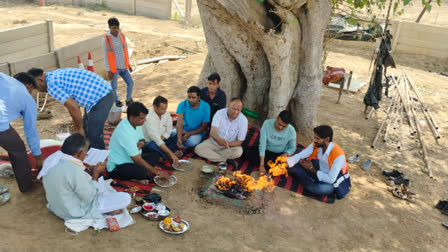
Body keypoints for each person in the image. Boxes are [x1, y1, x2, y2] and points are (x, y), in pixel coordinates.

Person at [38, 133, 131, 220]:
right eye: (86, 152)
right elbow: (89, 197)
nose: (86, 155)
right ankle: (105, 211)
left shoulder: (51, 159)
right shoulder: (74, 169)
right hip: (73, 212)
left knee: (99, 184)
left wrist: (88, 171)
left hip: (56, 207)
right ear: (79, 153)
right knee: (125, 198)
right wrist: (96, 173)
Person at [28, 68, 114, 150]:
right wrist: (79, 126)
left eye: (36, 87)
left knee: (93, 134)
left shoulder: (52, 86)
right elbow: (74, 100)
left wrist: (79, 129)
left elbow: (73, 107)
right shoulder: (54, 74)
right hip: (99, 93)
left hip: (101, 97)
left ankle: (100, 161)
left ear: (40, 80)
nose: (38, 91)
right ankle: (88, 153)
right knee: (85, 127)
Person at [107, 102, 170, 184]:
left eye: (144, 118)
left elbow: (142, 139)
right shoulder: (124, 132)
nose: (145, 120)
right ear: (132, 117)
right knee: (142, 172)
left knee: (155, 155)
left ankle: (145, 172)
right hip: (118, 166)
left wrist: (141, 142)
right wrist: (157, 172)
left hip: (133, 158)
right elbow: (137, 159)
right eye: (142, 118)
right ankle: (135, 178)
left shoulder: (136, 123)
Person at [0, 72, 43, 193]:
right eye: (32, 90)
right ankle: (27, 186)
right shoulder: (27, 98)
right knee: (18, 151)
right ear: (29, 86)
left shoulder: (5, 78)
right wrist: (38, 156)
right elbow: (30, 131)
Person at [287, 125, 351, 198]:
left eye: (317, 138)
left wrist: (311, 169)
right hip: (320, 169)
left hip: (333, 182)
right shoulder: (317, 145)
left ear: (327, 139)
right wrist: (287, 163)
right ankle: (306, 176)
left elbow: (331, 179)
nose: (314, 140)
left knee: (316, 188)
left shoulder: (339, 156)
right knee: (299, 161)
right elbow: (301, 154)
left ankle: (306, 177)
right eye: (314, 137)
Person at [195, 98, 248, 162]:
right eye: (234, 109)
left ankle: (214, 157)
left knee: (239, 152)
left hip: (229, 146)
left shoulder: (243, 120)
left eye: (238, 110)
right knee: (198, 149)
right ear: (228, 106)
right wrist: (219, 140)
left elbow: (239, 141)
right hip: (214, 142)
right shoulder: (219, 113)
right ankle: (224, 160)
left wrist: (227, 144)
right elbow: (213, 132)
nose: (236, 112)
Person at [102, 17, 134, 107]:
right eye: (113, 28)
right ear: (109, 27)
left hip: (124, 66)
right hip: (114, 68)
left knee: (130, 83)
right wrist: (108, 70)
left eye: (117, 27)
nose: (116, 30)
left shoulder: (122, 36)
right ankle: (117, 101)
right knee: (114, 87)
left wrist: (129, 64)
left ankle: (128, 99)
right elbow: (105, 56)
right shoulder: (106, 39)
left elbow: (126, 51)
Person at [142, 96, 181, 165]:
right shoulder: (149, 118)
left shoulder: (166, 114)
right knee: (152, 145)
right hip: (150, 141)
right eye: (162, 109)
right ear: (154, 107)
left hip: (162, 139)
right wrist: (171, 154)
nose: (165, 111)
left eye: (165, 109)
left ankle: (163, 154)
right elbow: (156, 140)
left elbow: (169, 130)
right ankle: (168, 155)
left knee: (175, 134)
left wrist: (162, 139)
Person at [258, 110, 297, 175]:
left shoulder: (291, 130)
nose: (280, 127)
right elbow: (262, 145)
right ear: (277, 117)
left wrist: (286, 153)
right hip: (266, 152)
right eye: (279, 124)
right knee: (246, 151)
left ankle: (270, 167)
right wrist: (261, 165)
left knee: (290, 167)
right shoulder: (267, 124)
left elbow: (292, 148)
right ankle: (267, 166)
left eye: (284, 126)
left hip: (279, 155)